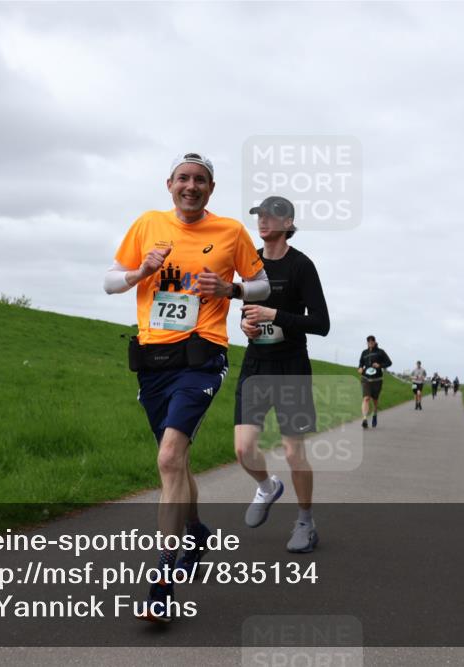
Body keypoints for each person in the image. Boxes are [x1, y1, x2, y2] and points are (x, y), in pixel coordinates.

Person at [104, 152, 270, 623]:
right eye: (183, 179)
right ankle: (196, 529)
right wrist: (140, 273)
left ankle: (161, 581)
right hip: (153, 360)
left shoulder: (231, 232)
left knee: (169, 459)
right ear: (169, 184)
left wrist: (231, 291)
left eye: (200, 180)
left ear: (211, 189)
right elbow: (109, 281)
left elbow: (262, 285)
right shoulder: (147, 225)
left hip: (202, 356)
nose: (191, 186)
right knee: (176, 464)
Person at [234, 195, 330, 553]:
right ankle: (267, 486)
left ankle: (305, 521)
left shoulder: (301, 266)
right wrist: (246, 326)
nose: (263, 221)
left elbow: (321, 324)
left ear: (288, 223)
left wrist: (276, 316)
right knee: (244, 449)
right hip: (256, 364)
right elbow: (246, 311)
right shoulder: (250, 263)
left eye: (272, 216)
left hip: (291, 367)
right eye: (259, 215)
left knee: (293, 453)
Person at [358, 335, 392, 428]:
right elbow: (361, 363)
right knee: (366, 398)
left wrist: (379, 365)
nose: (370, 343)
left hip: (377, 380)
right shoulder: (364, 353)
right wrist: (360, 368)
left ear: (375, 342)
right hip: (366, 379)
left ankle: (375, 413)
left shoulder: (380, 352)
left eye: (372, 341)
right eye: (368, 342)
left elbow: (389, 363)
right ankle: (364, 419)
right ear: (367, 343)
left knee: (375, 400)